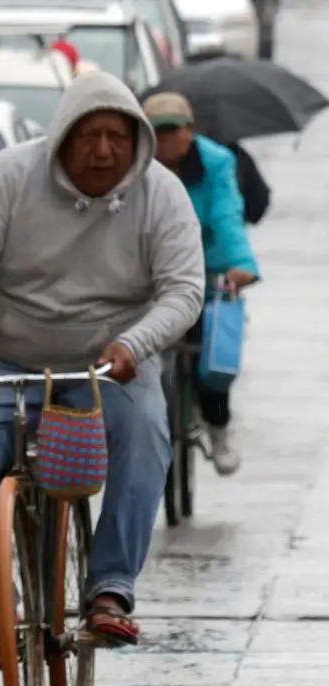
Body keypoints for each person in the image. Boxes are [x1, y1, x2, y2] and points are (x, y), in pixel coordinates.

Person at [0, 71, 205, 677]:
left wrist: (137, 343)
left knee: (146, 436)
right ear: (62, 138)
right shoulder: (8, 177)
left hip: (111, 364)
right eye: (89, 136)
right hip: (6, 357)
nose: (104, 150)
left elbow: (184, 290)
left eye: (117, 137)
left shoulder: (161, 195)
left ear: (137, 141)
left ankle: (109, 588)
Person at [144, 91, 261, 475]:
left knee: (213, 354)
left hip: (205, 268)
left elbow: (229, 215)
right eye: (156, 133)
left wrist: (241, 264)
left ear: (190, 132)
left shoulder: (216, 163)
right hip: (151, 270)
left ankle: (218, 429)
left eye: (173, 131)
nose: (164, 141)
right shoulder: (136, 165)